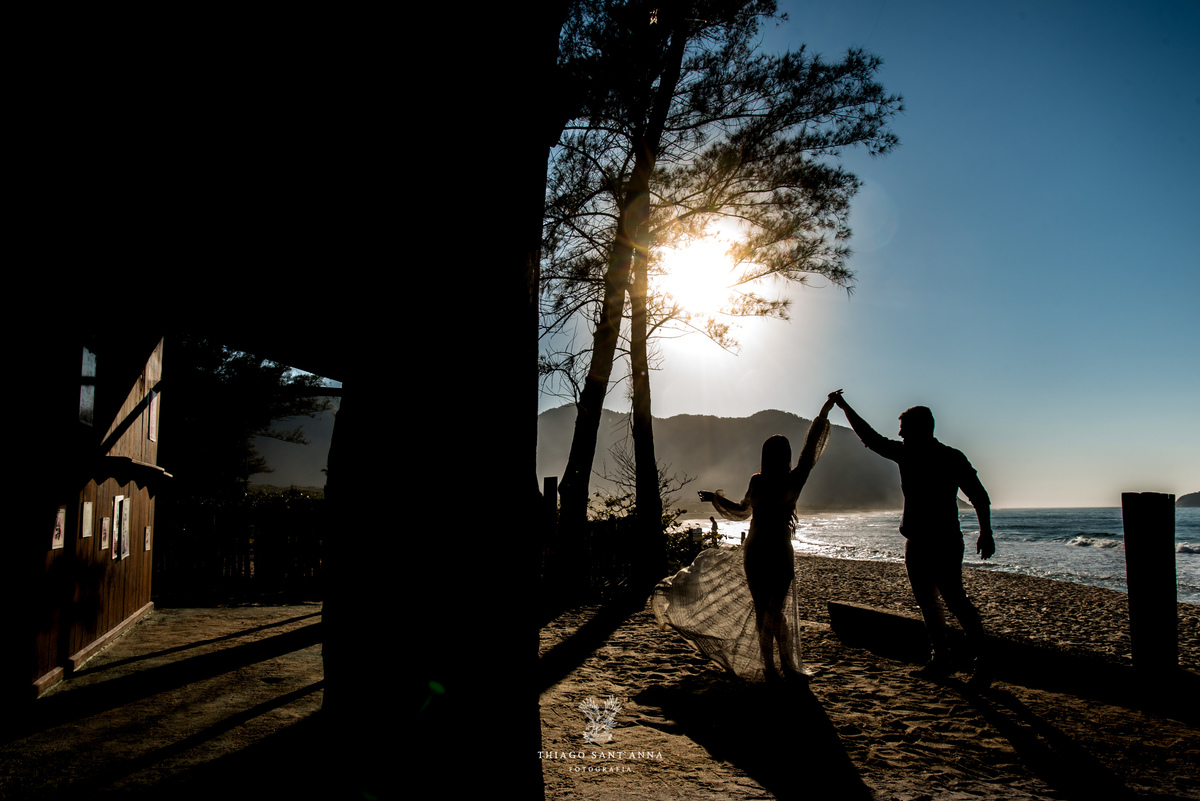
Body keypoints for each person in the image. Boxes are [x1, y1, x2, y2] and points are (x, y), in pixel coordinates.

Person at [653, 396, 836, 683]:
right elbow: (810, 450)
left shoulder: (758, 480)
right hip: (777, 550)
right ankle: (786, 666)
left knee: (764, 611)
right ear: (786, 455)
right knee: (776, 613)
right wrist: (823, 413)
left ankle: (770, 668)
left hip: (756, 550)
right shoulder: (793, 480)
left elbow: (741, 511)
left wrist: (715, 497)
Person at [829, 390, 994, 677]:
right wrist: (844, 407)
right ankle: (942, 659)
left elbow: (979, 496)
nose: (900, 435)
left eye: (904, 430)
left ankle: (983, 662)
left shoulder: (940, 457)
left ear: (920, 429)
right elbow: (871, 439)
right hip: (918, 542)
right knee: (930, 602)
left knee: (954, 601)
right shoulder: (923, 455)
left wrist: (986, 532)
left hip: (942, 542)